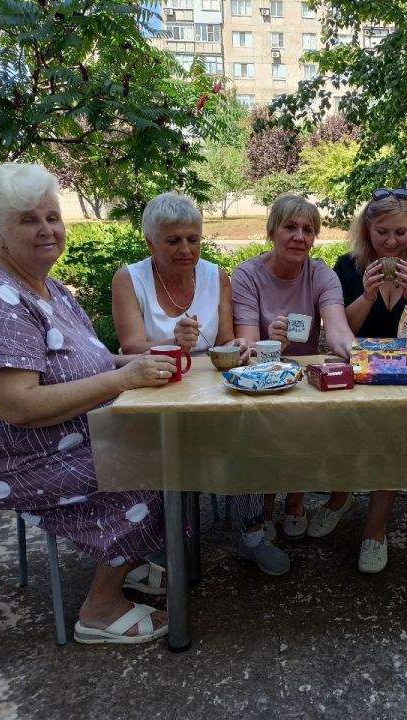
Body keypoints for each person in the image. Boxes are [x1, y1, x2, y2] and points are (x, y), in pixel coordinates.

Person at [0, 163, 179, 645]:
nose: (46, 230)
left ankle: (130, 562)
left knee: (162, 446)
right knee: (147, 469)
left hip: (49, 441)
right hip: (0, 459)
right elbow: (18, 406)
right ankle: (100, 610)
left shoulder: (47, 286)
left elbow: (90, 361)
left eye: (53, 217)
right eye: (28, 220)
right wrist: (126, 376)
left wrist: (139, 363)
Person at [111, 192, 287, 576]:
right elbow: (130, 346)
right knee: (159, 449)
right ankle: (163, 539)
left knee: (247, 433)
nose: (186, 249)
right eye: (173, 240)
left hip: (208, 389)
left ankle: (252, 533)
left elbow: (224, 339)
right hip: (151, 392)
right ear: (150, 242)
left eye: (193, 239)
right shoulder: (130, 278)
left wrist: (238, 346)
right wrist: (173, 341)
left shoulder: (214, 275)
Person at [332, 189, 407, 572]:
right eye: (382, 232)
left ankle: (375, 528)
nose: (391, 241)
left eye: (401, 232)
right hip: (359, 372)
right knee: (334, 425)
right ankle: (340, 496)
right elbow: (338, 331)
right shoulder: (348, 268)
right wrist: (365, 297)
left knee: (392, 430)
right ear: (367, 228)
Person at [231, 193, 355, 542]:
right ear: (272, 232)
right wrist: (270, 346)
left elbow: (338, 330)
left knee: (310, 417)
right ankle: (267, 505)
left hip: (304, 379)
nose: (300, 237)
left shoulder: (321, 274)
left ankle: (296, 500)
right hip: (263, 378)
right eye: (290, 227)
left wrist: (359, 353)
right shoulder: (246, 275)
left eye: (308, 230)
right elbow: (246, 344)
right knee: (269, 423)